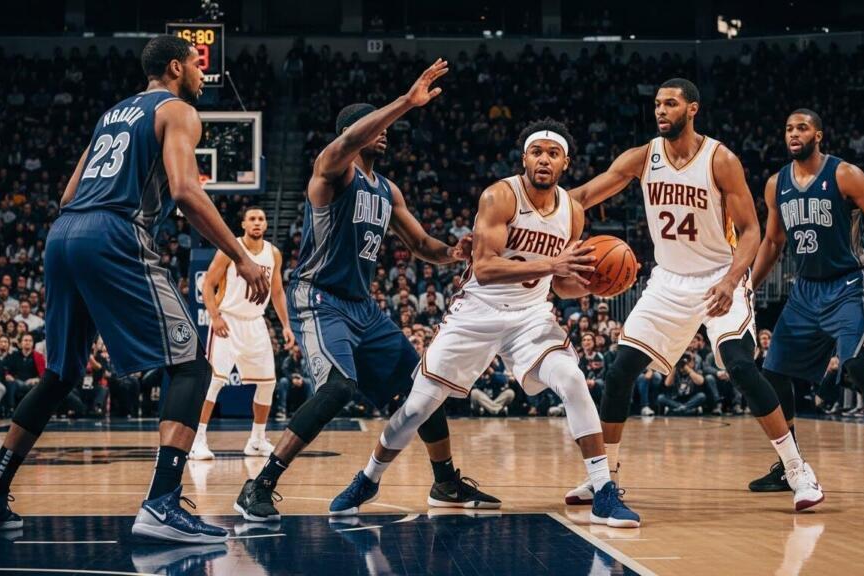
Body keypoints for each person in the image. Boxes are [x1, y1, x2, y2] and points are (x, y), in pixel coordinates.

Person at [0, 35, 271, 543]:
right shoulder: (178, 111)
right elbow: (185, 190)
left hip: (64, 233)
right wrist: (241, 256)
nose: (203, 75)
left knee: (60, 374)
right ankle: (162, 503)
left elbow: (69, 193)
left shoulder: (111, 115)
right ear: (176, 67)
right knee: (191, 365)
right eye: (197, 66)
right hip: (113, 232)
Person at [329, 119, 639, 527]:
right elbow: (486, 268)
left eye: (553, 154)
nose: (544, 160)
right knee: (417, 407)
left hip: (530, 317)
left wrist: (592, 284)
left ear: (565, 163)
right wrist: (553, 265)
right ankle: (369, 478)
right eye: (537, 152)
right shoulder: (500, 196)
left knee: (572, 378)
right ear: (524, 158)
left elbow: (561, 284)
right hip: (477, 313)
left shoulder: (573, 213)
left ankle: (603, 490)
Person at [233, 59, 500, 524]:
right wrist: (406, 101)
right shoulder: (332, 171)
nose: (385, 132)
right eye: (373, 125)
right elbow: (347, 144)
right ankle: (260, 483)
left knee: (425, 385)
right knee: (338, 388)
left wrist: (454, 252)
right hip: (319, 298)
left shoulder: (387, 190)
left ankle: (445, 481)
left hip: (363, 308)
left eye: (385, 125)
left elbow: (421, 245)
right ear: (352, 133)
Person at [565, 79, 823, 512]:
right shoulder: (642, 157)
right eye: (657, 104)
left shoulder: (720, 160)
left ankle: (797, 470)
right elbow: (584, 196)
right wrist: (534, 214)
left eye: (670, 103)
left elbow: (752, 231)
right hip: (668, 281)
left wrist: (732, 280)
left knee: (740, 366)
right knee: (620, 370)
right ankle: (603, 478)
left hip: (719, 274)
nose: (660, 111)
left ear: (692, 109)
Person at [750, 108, 864, 501]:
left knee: (857, 365)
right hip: (805, 290)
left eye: (802, 128)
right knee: (773, 371)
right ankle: (791, 465)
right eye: (788, 128)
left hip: (848, 284)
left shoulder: (844, 174)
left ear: (818, 135)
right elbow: (773, 242)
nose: (794, 134)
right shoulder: (776, 184)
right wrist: (749, 287)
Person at [190, 206, 295, 460]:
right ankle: (197, 440)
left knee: (268, 383)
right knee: (214, 381)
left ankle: (257, 440)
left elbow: (277, 292)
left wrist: (286, 325)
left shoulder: (273, 253)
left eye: (261, 219)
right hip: (228, 320)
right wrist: (215, 317)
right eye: (252, 219)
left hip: (256, 322)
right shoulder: (230, 249)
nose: (257, 222)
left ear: (266, 225)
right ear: (244, 225)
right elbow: (208, 284)